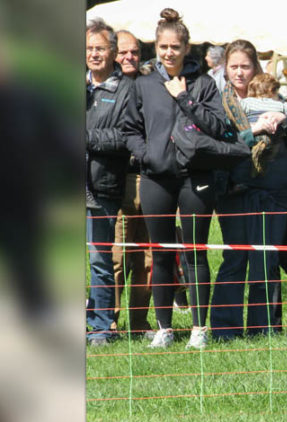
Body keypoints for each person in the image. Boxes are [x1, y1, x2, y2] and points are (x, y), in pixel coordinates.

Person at [122, 8, 230, 349]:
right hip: (156, 178)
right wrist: (147, 154)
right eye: (163, 46)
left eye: (175, 47)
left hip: (195, 177)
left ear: (187, 48)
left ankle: (199, 329)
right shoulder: (142, 84)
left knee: (195, 252)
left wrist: (184, 97)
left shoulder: (204, 83)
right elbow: (129, 129)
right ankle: (164, 328)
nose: (169, 53)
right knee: (162, 253)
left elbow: (218, 127)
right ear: (156, 46)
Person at [209, 39, 287, 342]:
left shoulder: (278, 103)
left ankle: (264, 328)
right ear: (225, 68)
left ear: (255, 68)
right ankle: (226, 328)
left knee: (266, 259)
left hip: (273, 189)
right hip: (234, 189)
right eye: (234, 67)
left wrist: (284, 120)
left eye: (245, 66)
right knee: (235, 257)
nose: (239, 73)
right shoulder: (218, 101)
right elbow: (220, 143)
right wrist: (254, 131)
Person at [86, 19, 132, 345]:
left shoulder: (125, 90)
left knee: (100, 260)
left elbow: (126, 137)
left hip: (101, 186)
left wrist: (86, 137)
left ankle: (102, 328)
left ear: (113, 52)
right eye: (88, 49)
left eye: (100, 48)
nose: (93, 54)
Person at [110, 29, 154, 339]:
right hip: (119, 180)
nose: (129, 57)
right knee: (117, 257)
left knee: (149, 259)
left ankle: (139, 323)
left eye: (134, 51)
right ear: (114, 54)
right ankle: (108, 321)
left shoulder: (151, 84)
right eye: (124, 52)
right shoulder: (106, 87)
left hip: (152, 179)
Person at [240, 73, 287, 175]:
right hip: (275, 139)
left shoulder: (245, 102)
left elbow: (239, 116)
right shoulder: (281, 105)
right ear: (272, 91)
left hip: (254, 133)